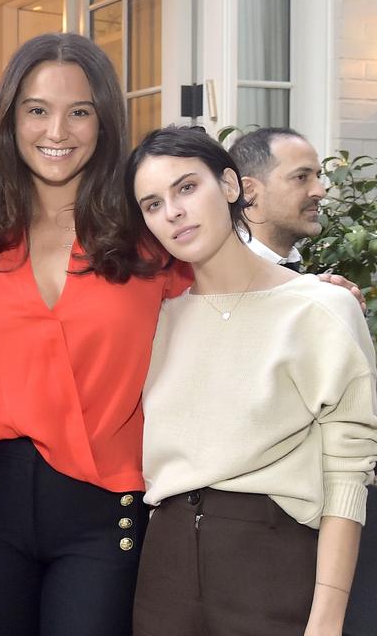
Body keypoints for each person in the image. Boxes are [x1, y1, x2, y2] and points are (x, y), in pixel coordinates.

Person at [0, 32, 188, 636]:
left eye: (80, 112)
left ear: (105, 122)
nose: (57, 131)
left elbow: (226, 294)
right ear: (11, 120)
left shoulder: (147, 231)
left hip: (105, 505)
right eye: (37, 110)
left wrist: (300, 291)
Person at [126, 126, 377, 636]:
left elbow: (349, 475)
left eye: (186, 188)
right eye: (152, 204)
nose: (172, 211)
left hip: (274, 564)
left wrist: (327, 617)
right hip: (165, 569)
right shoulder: (153, 319)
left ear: (232, 186)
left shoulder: (321, 309)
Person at [227, 126, 326, 270]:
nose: (320, 191)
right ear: (248, 190)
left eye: (318, 176)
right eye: (301, 177)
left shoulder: (291, 270)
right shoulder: (225, 278)